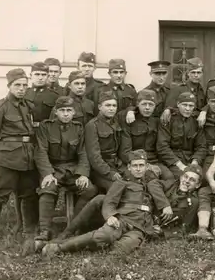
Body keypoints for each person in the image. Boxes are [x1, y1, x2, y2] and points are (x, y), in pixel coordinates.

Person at [42, 150, 173, 256]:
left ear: (146, 167)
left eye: (141, 165)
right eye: (135, 165)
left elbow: (171, 184)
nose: (138, 169)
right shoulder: (122, 183)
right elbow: (109, 201)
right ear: (129, 167)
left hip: (140, 228)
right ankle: (60, 247)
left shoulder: (153, 185)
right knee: (103, 236)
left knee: (121, 249)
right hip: (123, 220)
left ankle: (99, 249)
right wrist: (110, 216)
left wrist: (158, 222)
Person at [0, 68, 39, 255]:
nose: (22, 89)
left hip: (27, 157)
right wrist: (3, 153)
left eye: (24, 85)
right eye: (17, 85)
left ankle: (28, 231)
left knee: (28, 194)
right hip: (7, 158)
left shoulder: (27, 106)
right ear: (9, 86)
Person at [33, 96, 98, 245]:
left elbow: (83, 153)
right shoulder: (46, 127)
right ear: (56, 112)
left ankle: (74, 226)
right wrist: (47, 173)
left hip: (72, 169)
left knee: (89, 190)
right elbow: (41, 151)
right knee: (48, 188)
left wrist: (82, 174)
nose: (66, 114)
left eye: (69, 110)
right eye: (62, 110)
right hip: (53, 168)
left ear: (74, 112)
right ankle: (44, 230)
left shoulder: (78, 128)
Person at [119, 89, 174, 181]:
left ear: (155, 106)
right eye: (144, 104)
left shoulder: (157, 121)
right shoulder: (130, 120)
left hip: (154, 161)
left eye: (151, 104)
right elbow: (125, 152)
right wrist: (145, 166)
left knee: (169, 177)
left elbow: (161, 146)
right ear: (137, 105)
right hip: (135, 162)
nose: (147, 107)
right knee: (148, 178)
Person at [157, 92, 207, 179]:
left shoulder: (196, 121)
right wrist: (180, 165)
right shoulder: (168, 119)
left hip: (191, 160)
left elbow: (201, 146)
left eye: (191, 106)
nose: (188, 109)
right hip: (172, 160)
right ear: (178, 104)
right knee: (181, 177)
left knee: (201, 179)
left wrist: (195, 162)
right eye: (185, 105)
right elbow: (162, 146)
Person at [85, 91, 126, 193]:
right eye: (107, 105)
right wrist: (109, 173)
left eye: (114, 105)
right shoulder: (92, 125)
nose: (111, 108)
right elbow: (94, 157)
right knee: (116, 188)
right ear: (99, 107)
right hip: (100, 170)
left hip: (117, 165)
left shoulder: (116, 122)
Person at [148, 164, 204, 236]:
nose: (187, 181)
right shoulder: (172, 184)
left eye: (192, 180)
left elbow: (185, 227)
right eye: (185, 177)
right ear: (181, 177)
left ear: (198, 185)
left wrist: (163, 232)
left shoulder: (194, 202)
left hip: (162, 227)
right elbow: (152, 184)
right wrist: (165, 205)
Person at [162, 57, 206, 125]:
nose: (196, 75)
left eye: (198, 72)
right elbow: (169, 109)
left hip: (197, 125)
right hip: (181, 125)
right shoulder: (178, 89)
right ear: (188, 73)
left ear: (202, 74)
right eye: (193, 72)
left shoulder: (202, 90)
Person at [95, 59, 138, 124]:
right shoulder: (101, 90)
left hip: (126, 126)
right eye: (115, 72)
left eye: (121, 72)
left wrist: (130, 111)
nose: (119, 76)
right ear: (109, 74)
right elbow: (96, 111)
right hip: (107, 127)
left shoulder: (131, 90)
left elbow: (136, 107)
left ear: (125, 73)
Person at [24, 62, 60, 128]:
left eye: (43, 75)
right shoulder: (24, 94)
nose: (40, 78)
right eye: (37, 74)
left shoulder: (55, 96)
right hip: (26, 132)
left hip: (46, 132)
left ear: (48, 76)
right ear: (30, 76)